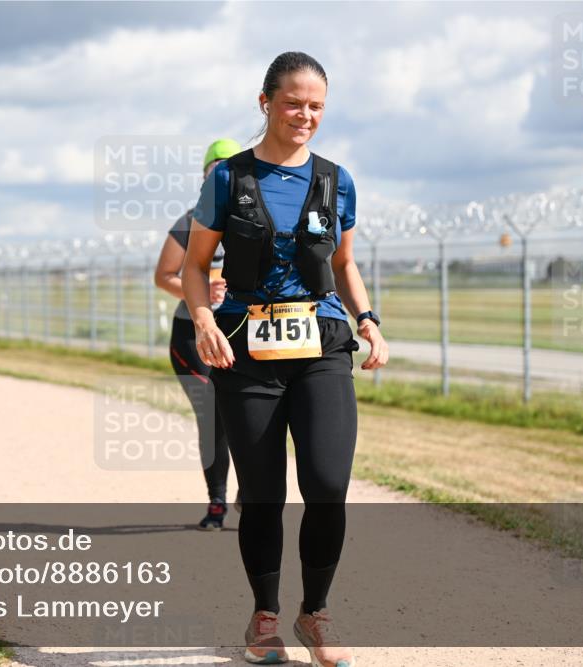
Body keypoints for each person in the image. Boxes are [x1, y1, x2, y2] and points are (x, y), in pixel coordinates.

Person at [182, 52, 388, 666]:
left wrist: (369, 321)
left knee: (327, 484)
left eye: (317, 106)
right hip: (247, 349)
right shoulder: (227, 179)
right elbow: (195, 267)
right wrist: (201, 321)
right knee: (265, 492)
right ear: (265, 101)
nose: (306, 115)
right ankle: (264, 616)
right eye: (294, 102)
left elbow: (344, 263)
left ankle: (314, 613)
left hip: (322, 345)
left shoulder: (335, 179)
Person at [155, 138, 241, 531]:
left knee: (250, 414)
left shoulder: (252, 218)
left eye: (231, 168)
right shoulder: (190, 221)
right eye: (214, 169)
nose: (222, 175)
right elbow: (164, 276)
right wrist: (200, 289)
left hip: (242, 331)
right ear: (204, 176)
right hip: (192, 334)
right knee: (214, 415)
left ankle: (251, 491)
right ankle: (217, 502)